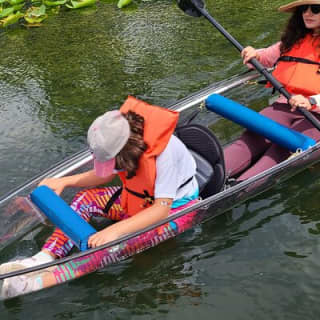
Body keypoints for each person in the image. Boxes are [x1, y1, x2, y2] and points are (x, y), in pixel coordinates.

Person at [0, 96, 200, 298]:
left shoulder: (165, 153)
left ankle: (33, 283)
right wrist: (64, 181)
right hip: (136, 200)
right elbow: (104, 174)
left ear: (125, 151)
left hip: (175, 208)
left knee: (111, 246)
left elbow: (161, 209)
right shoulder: (116, 136)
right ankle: (43, 258)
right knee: (85, 199)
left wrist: (114, 231)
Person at [224, 0, 320, 181]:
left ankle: (237, 188)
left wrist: (312, 101)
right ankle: (199, 181)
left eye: (315, 9)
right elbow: (266, 57)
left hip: (316, 116)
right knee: (250, 139)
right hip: (285, 105)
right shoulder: (293, 40)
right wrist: (254, 54)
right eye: (303, 9)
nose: (308, 13)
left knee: (280, 151)